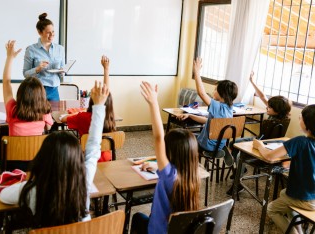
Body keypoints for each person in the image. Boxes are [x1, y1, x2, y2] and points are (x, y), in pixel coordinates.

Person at [0, 81, 109, 228]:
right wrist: (99, 106)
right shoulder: (84, 183)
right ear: (78, 163)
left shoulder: (33, 190)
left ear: (43, 159)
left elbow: (3, 196)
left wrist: (28, 183)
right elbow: (94, 146)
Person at [130, 82, 200, 234]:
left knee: (137, 217)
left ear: (170, 152)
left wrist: (153, 103)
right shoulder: (193, 174)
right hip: (178, 230)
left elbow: (158, 137)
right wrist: (157, 167)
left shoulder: (169, 176)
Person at [226, 72, 292, 195]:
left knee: (238, 151)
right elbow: (262, 96)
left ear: (277, 110)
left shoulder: (277, 122)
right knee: (233, 144)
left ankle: (238, 181)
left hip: (265, 144)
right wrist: (252, 82)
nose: (267, 108)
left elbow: (265, 141)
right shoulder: (281, 115)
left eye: (270, 107)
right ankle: (239, 171)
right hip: (260, 140)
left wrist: (254, 144)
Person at [252, 104, 315, 234]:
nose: (299, 118)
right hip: (313, 195)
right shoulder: (303, 143)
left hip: (303, 198)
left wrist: (260, 146)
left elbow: (269, 157)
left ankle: (294, 233)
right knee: (283, 193)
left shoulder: (300, 142)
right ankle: (297, 228)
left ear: (308, 124)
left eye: (301, 117)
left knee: (271, 209)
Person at [61, 56, 116, 162]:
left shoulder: (82, 117)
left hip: (86, 157)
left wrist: (77, 114)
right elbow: (106, 94)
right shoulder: (110, 117)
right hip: (107, 158)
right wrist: (106, 69)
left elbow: (63, 119)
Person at [177, 57, 238, 152]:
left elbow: (201, 93)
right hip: (218, 146)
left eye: (215, 89)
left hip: (207, 144)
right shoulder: (229, 108)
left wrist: (196, 72)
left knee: (180, 139)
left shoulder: (218, 107)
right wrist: (190, 115)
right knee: (191, 136)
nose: (213, 91)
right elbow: (208, 121)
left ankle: (185, 163)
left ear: (222, 93)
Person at [3, 40, 53, 136]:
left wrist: (10, 58)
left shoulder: (12, 110)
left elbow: (6, 82)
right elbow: (49, 127)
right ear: (41, 96)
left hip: (14, 151)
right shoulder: (44, 112)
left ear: (20, 93)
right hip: (36, 151)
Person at [23, 13, 65, 101]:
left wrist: (62, 71)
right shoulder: (31, 50)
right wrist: (37, 69)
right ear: (39, 32)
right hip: (37, 90)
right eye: (48, 32)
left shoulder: (60, 49)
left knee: (54, 114)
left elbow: (62, 71)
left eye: (53, 31)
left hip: (54, 90)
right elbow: (25, 74)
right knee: (37, 115)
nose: (52, 35)